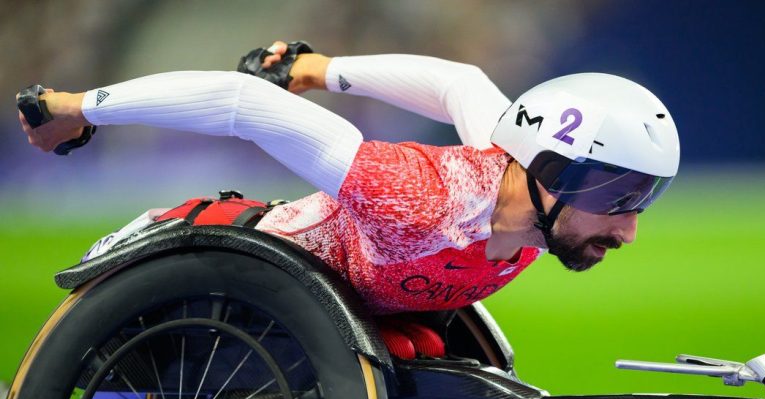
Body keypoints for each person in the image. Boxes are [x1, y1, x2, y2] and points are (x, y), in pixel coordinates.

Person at [18, 42, 679, 325]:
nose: (629, 230)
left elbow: (462, 85)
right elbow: (244, 103)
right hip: (201, 285)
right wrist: (78, 106)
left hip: (311, 321)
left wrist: (319, 67)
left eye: (642, 200)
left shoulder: (524, 189)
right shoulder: (418, 198)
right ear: (551, 173)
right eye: (617, 200)